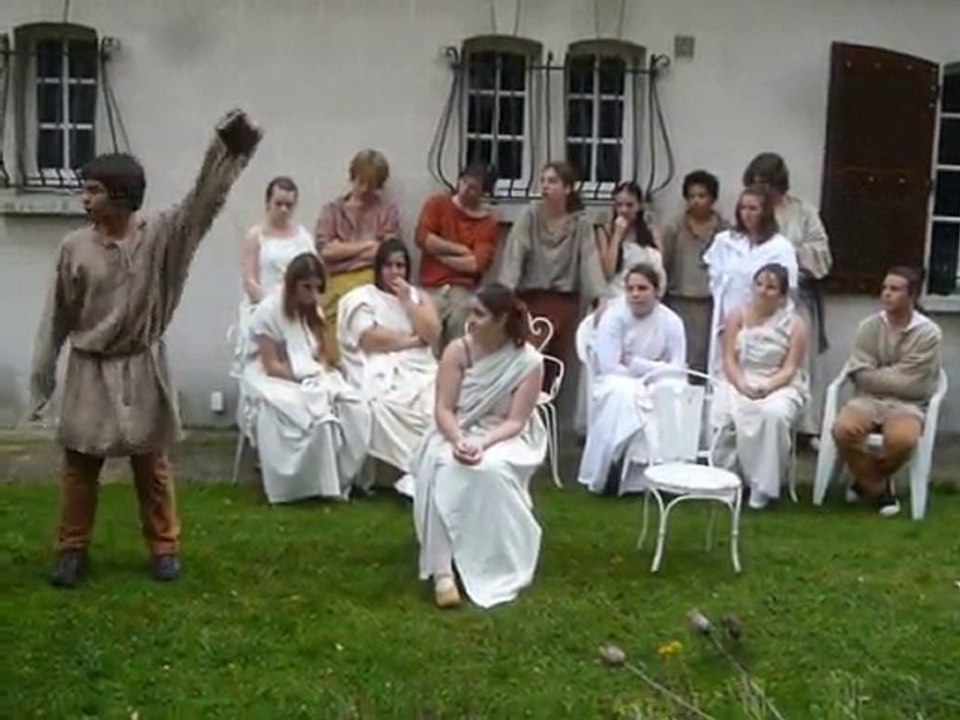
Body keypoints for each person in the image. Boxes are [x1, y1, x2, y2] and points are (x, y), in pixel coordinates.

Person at [29, 109, 262, 587]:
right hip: (91, 367)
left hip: (140, 365)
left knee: (152, 464)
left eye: (92, 190)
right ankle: (71, 550)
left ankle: (164, 547)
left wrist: (226, 151)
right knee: (79, 465)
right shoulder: (75, 248)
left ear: (120, 196)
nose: (84, 199)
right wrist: (43, 372)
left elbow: (204, 201)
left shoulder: (161, 236)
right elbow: (56, 314)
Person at [410, 284, 546, 609]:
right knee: (443, 464)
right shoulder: (458, 351)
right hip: (454, 428)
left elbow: (516, 422)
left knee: (490, 468)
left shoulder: (529, 361)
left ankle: (492, 556)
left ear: (501, 320)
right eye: (471, 311)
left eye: (479, 314)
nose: (470, 319)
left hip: (504, 435)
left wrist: (481, 444)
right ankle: (443, 572)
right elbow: (443, 408)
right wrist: (459, 440)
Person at [240, 253, 370, 504]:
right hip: (274, 376)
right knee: (312, 415)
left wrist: (322, 372)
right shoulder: (269, 312)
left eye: (317, 288)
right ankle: (297, 488)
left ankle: (340, 481)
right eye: (306, 287)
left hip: (307, 372)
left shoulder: (313, 310)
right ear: (292, 284)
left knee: (354, 406)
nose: (312, 294)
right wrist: (305, 377)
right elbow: (271, 365)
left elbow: (320, 354)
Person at [832, 267, 942, 517]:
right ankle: (880, 488)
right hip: (867, 400)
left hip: (908, 404)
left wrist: (876, 375)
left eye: (894, 289)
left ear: (911, 295)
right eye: (884, 288)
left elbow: (912, 384)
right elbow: (859, 372)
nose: (886, 294)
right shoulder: (869, 327)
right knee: (844, 430)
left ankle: (865, 482)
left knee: (903, 440)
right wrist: (891, 376)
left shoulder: (928, 334)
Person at [577, 264, 687, 495]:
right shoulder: (614, 317)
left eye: (642, 288)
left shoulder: (672, 321)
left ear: (656, 291)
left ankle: (662, 471)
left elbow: (678, 367)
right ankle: (612, 465)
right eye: (630, 289)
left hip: (654, 379)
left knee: (672, 390)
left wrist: (639, 365)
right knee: (625, 395)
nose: (635, 294)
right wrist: (651, 372)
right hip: (615, 380)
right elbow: (609, 365)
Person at [744, 152, 832, 439]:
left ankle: (804, 428)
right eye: (756, 183)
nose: (762, 189)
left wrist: (788, 254)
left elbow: (822, 252)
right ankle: (754, 418)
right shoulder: (751, 209)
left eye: (767, 183)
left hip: (796, 299)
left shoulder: (802, 212)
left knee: (798, 360)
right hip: (756, 299)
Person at [337, 239, 441, 478]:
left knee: (433, 399)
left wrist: (407, 303)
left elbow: (432, 333)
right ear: (379, 268)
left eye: (400, 265)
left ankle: (431, 465)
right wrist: (412, 341)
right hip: (379, 365)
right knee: (385, 404)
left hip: (420, 366)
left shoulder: (418, 297)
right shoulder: (362, 297)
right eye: (389, 266)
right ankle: (411, 467)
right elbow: (369, 339)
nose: (395, 272)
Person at [714, 264, 809, 510]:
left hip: (779, 383)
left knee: (772, 414)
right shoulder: (737, 316)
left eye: (771, 287)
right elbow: (728, 359)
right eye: (759, 284)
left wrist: (768, 387)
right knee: (726, 414)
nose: (763, 291)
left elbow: (790, 368)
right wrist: (742, 384)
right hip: (738, 377)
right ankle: (729, 481)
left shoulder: (795, 324)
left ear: (782, 294)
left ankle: (763, 485)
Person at [497, 161, 606, 371]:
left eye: (552, 181)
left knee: (557, 365)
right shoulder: (530, 216)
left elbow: (590, 261)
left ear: (567, 188)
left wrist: (600, 297)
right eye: (543, 181)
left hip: (564, 302)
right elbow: (515, 254)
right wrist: (505, 294)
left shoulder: (580, 224)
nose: (545, 186)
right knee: (529, 361)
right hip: (531, 299)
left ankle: (550, 404)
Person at [315, 149, 401, 364]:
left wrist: (344, 250)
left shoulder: (386, 211)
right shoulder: (332, 211)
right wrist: (368, 244)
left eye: (371, 185)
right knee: (333, 345)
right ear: (352, 177)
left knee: (368, 347)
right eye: (361, 182)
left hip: (373, 282)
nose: (364, 189)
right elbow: (326, 251)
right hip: (336, 284)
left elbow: (385, 253)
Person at [703, 185, 798, 376]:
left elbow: (787, 291)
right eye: (743, 208)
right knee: (722, 372)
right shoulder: (725, 241)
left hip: (762, 322)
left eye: (753, 209)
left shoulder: (780, 247)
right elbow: (714, 276)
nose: (747, 214)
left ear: (765, 212)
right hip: (727, 317)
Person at [232, 176, 316, 373]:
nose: (284, 209)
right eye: (279, 204)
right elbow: (250, 280)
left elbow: (313, 274)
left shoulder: (303, 237)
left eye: (289, 205)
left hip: (298, 311)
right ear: (267, 203)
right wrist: (273, 308)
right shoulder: (255, 236)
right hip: (264, 310)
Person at [415, 163, 500, 349]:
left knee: (460, 333)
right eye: (464, 182)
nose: (465, 190)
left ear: (483, 192)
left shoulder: (488, 223)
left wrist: (439, 255)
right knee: (427, 335)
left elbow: (476, 264)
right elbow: (423, 238)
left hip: (462, 289)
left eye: (473, 187)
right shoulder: (437, 204)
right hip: (431, 287)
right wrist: (460, 250)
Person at [661, 170, 729, 374]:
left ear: (713, 199)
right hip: (679, 300)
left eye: (702, 196)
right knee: (682, 357)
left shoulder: (724, 230)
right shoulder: (674, 227)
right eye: (692, 196)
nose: (697, 201)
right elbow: (665, 261)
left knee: (708, 358)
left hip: (711, 304)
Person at [595, 180, 666, 298]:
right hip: (614, 296)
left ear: (639, 206)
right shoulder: (604, 231)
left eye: (629, 205)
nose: (624, 210)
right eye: (619, 205)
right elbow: (608, 272)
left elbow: (658, 268)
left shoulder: (651, 231)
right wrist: (617, 236)